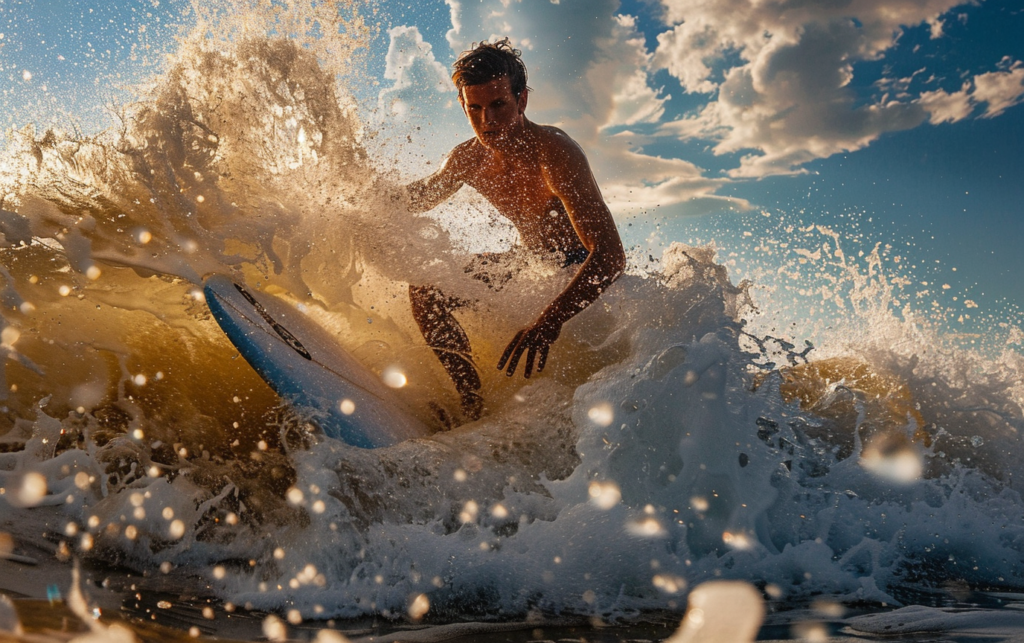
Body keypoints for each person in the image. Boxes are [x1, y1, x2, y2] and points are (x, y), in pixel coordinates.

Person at [403, 39, 626, 424]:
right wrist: (347, 195)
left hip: (573, 269)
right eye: (474, 108)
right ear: (463, 105)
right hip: (531, 263)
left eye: (498, 105)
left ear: (521, 100)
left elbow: (610, 256)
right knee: (426, 291)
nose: (487, 121)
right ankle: (472, 405)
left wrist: (549, 320)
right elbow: (413, 199)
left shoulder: (553, 151)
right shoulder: (468, 158)